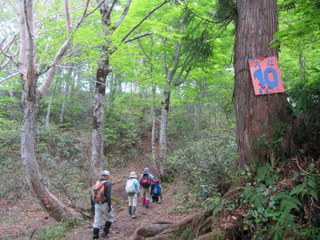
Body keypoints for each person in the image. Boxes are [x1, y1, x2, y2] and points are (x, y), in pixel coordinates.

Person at [91, 170, 115, 239]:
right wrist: (109, 206)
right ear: (107, 176)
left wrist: (92, 205)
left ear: (102, 175)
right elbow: (108, 197)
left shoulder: (97, 183)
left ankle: (95, 237)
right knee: (111, 217)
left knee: (96, 222)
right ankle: (105, 233)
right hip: (104, 204)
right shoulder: (107, 184)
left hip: (96, 204)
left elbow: (92, 195)